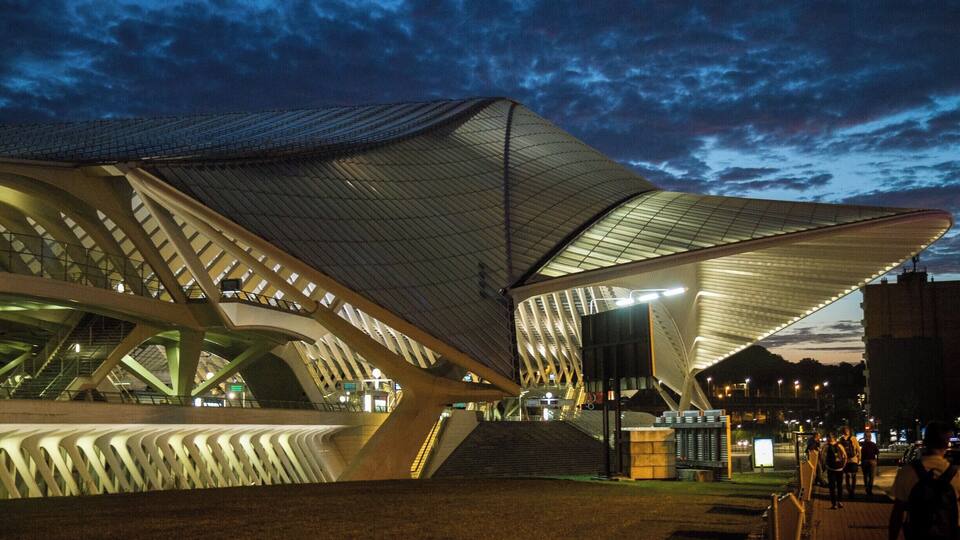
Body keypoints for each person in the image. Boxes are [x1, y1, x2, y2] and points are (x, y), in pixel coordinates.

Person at [889, 421, 960, 540]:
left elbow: (897, 512)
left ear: (925, 441)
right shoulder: (955, 475)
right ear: (947, 444)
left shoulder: (907, 472)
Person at [823, 432, 848, 509]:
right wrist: (843, 465)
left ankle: (834, 504)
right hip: (839, 468)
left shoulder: (826, 446)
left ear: (828, 438)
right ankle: (840, 502)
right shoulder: (839, 445)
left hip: (831, 469)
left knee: (832, 487)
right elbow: (845, 456)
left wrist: (825, 465)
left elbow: (822, 456)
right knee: (839, 486)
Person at [840, 426, 862, 497]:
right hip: (850, 460)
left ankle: (851, 490)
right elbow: (858, 449)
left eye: (847, 430)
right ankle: (851, 490)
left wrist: (859, 459)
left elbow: (858, 449)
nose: (846, 431)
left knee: (851, 475)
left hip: (851, 459)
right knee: (850, 475)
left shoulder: (850, 438)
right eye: (845, 430)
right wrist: (859, 459)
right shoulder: (845, 439)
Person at [861, 430, 880, 497]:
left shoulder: (862, 444)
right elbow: (877, 453)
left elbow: (860, 454)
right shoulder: (873, 444)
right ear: (871, 437)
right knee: (871, 477)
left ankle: (867, 488)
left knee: (865, 476)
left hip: (864, 461)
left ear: (864, 437)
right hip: (872, 461)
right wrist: (876, 461)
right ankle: (869, 490)